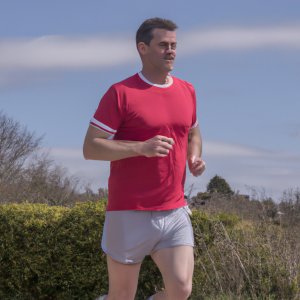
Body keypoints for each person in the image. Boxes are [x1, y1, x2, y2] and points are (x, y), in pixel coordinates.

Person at [83, 17, 206, 300]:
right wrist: (140, 148)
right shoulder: (121, 93)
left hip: (174, 209)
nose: (171, 51)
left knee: (181, 290)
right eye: (163, 45)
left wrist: (194, 157)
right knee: (122, 296)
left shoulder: (187, 90)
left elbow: (193, 134)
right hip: (129, 211)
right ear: (143, 48)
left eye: (174, 45)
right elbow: (91, 148)